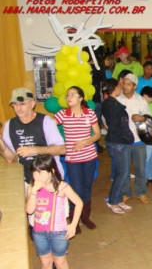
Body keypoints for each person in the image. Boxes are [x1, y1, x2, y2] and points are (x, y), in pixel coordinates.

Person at [26, 154, 83, 269]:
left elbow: (79, 203)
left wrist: (73, 225)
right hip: (39, 233)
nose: (37, 176)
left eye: (40, 172)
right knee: (46, 263)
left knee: (60, 263)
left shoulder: (62, 187)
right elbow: (29, 210)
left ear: (51, 171)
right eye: (34, 171)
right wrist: (33, 192)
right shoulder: (32, 187)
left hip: (59, 233)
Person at [54, 86, 101, 233]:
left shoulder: (90, 113)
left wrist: (84, 142)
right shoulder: (63, 114)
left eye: (73, 95)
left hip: (89, 157)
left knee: (87, 188)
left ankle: (85, 217)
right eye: (68, 95)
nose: (69, 97)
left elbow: (98, 134)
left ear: (80, 98)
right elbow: (47, 126)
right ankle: (74, 219)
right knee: (76, 189)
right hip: (72, 159)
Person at [0, 88, 65, 186]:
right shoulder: (9, 125)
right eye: (15, 104)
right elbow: (10, 158)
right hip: (25, 180)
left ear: (32, 104)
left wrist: (34, 150)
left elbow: (62, 149)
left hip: (50, 179)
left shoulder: (46, 121)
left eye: (22, 104)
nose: (18, 108)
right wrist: (1, 142)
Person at [117, 73, 152, 204]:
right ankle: (125, 192)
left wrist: (141, 118)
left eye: (128, 84)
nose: (125, 86)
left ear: (135, 86)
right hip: (123, 141)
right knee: (124, 169)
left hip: (139, 140)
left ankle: (141, 192)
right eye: (124, 83)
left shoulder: (141, 100)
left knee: (140, 168)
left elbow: (149, 118)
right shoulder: (118, 100)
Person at [102, 78, 134, 214]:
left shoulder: (107, 103)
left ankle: (118, 198)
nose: (121, 87)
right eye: (119, 85)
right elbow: (122, 125)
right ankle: (113, 200)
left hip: (113, 140)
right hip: (119, 142)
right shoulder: (115, 106)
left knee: (122, 172)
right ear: (115, 88)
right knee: (122, 173)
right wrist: (130, 137)